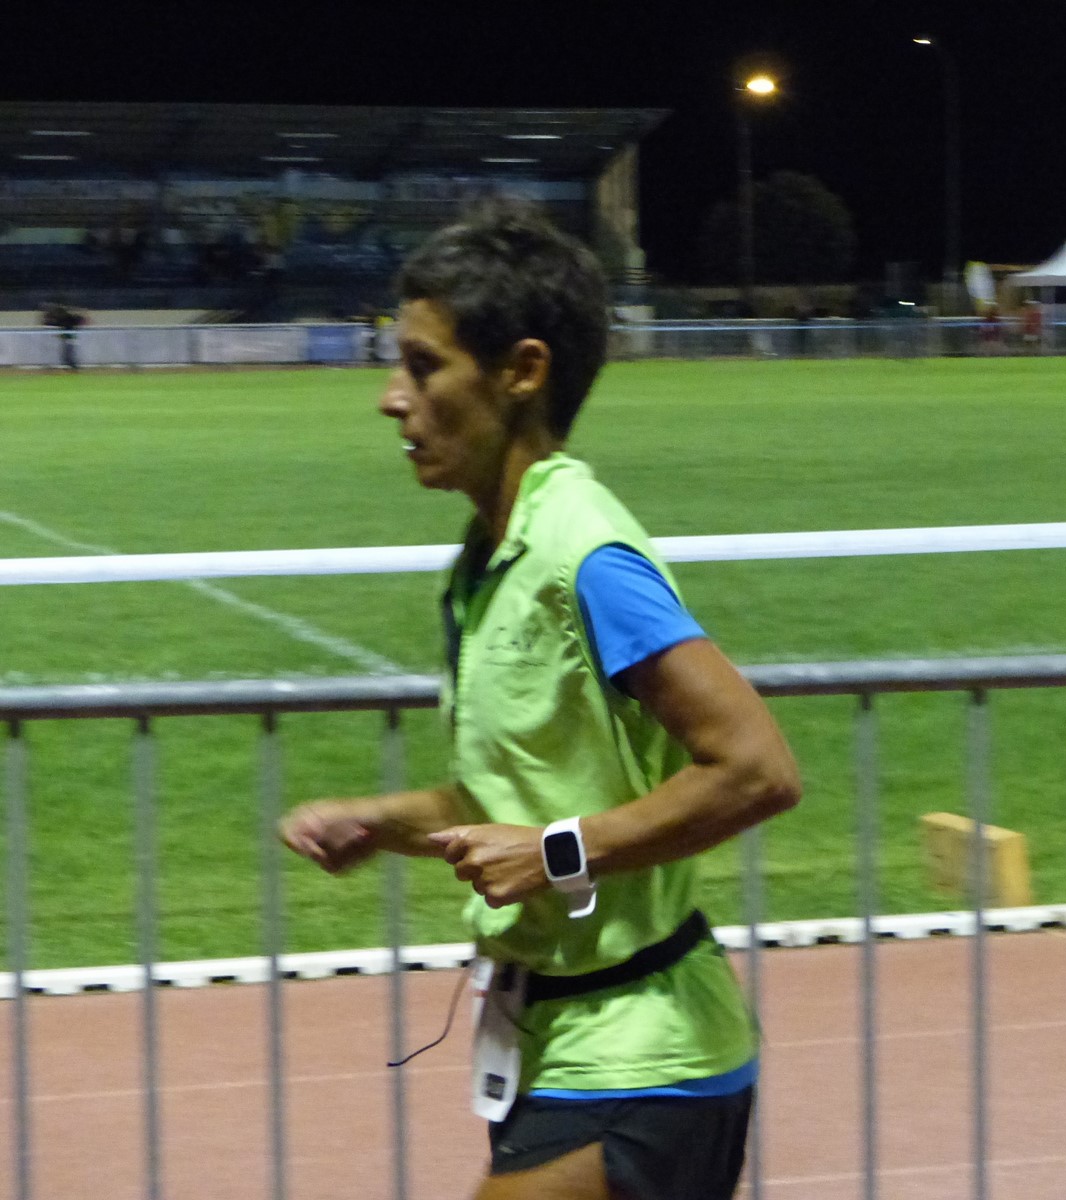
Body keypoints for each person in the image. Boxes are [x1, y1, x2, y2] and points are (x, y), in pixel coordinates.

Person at [279, 198, 801, 1200]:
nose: (391, 399)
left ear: (522, 371)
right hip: (553, 1038)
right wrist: (379, 821)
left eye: (423, 366)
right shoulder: (489, 558)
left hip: (642, 1056)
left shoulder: (584, 556)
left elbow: (758, 769)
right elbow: (521, 798)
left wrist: (558, 853)